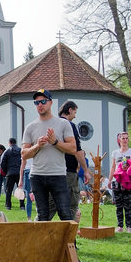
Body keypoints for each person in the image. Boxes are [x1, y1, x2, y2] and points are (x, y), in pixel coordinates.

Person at [21, 89, 76, 222]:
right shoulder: (31, 127)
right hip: (37, 175)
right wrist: (37, 146)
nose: (40, 105)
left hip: (58, 174)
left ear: (51, 102)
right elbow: (24, 154)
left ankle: (69, 238)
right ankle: (43, 238)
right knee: (42, 216)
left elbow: (73, 149)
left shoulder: (63, 124)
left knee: (65, 213)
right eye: (37, 102)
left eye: (43, 101)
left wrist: (55, 142)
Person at [49, 101, 88, 221]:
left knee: (49, 207)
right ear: (70, 110)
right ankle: (70, 232)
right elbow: (77, 151)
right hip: (68, 171)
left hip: (52, 170)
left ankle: (37, 231)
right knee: (71, 206)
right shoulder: (69, 125)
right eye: (75, 112)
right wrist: (86, 171)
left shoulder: (51, 125)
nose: (75, 116)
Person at [111, 155, 131, 233]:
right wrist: (110, 180)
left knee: (128, 206)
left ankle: (128, 226)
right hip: (117, 183)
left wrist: (129, 168)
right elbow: (113, 167)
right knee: (119, 206)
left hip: (129, 183)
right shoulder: (115, 153)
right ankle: (120, 226)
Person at [0, 138, 23, 210]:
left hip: (10, 172)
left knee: (9, 190)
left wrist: (6, 171)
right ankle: (22, 205)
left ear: (9, 143)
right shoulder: (20, 150)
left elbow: (2, 163)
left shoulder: (6, 152)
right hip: (19, 172)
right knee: (20, 189)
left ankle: (8, 205)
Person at [19, 157, 34, 221]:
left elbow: (22, 165)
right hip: (31, 172)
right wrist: (20, 180)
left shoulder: (25, 152)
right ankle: (29, 217)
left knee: (29, 196)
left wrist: (21, 179)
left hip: (29, 172)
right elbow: (22, 165)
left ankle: (29, 217)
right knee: (29, 197)